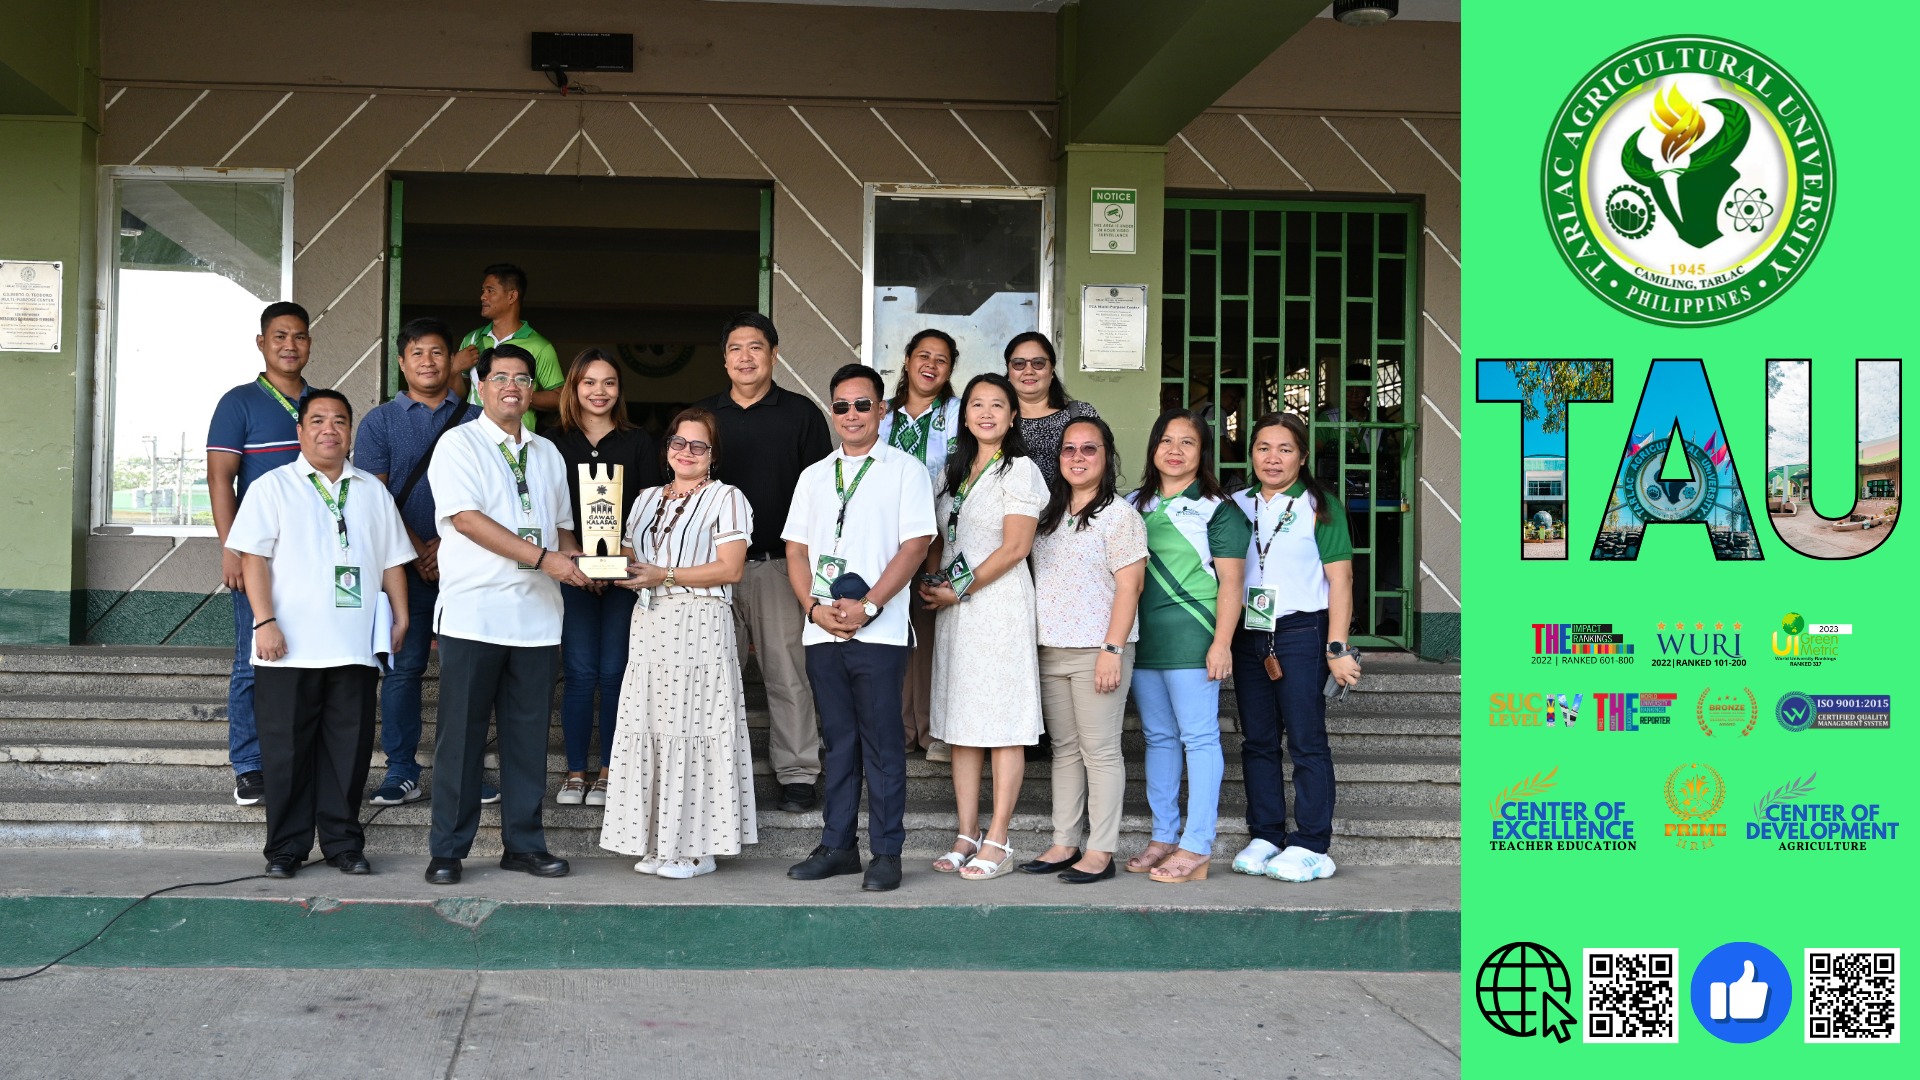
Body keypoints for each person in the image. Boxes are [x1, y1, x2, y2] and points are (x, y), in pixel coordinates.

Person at [225, 390, 412, 877]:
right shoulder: (273, 486)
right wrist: (264, 622)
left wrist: (401, 615)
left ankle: (343, 844)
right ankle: (285, 850)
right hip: (287, 646)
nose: (329, 429)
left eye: (340, 421)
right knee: (285, 754)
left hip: (352, 646)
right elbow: (253, 559)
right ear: (301, 431)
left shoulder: (372, 490)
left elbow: (393, 558)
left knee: (347, 754)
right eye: (318, 420)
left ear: (351, 432)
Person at [423, 344, 589, 885]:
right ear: (480, 386)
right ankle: (448, 849)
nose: (512, 387)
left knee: (528, 740)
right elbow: (467, 520)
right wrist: (547, 559)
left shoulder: (547, 453)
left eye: (521, 378)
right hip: (475, 614)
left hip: (539, 618)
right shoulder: (458, 444)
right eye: (500, 378)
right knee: (461, 738)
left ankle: (523, 844)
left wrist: (581, 559)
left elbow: (562, 526)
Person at [781, 363, 935, 892]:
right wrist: (811, 607)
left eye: (862, 405)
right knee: (837, 743)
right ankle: (838, 845)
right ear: (832, 412)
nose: (852, 414)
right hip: (822, 629)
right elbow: (796, 549)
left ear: (881, 411)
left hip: (879, 631)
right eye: (842, 406)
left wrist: (869, 606)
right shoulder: (814, 474)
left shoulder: (903, 470)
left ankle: (887, 852)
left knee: (883, 744)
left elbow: (916, 544)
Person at [599, 408, 756, 879]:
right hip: (649, 622)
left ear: (713, 454)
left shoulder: (727, 498)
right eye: (677, 442)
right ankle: (658, 841)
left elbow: (731, 568)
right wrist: (601, 560)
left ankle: (694, 848)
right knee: (651, 722)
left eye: (698, 445)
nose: (685, 452)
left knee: (694, 724)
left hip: (700, 622)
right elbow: (628, 556)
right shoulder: (645, 498)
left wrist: (663, 574)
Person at [696, 312, 833, 813]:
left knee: (787, 673)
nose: (746, 357)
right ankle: (712, 773)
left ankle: (798, 774)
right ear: (724, 357)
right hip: (710, 569)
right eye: (735, 348)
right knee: (712, 674)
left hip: (778, 565)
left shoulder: (801, 415)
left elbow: (821, 496)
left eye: (756, 347)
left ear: (774, 354)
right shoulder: (704, 418)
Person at [918, 373, 1046, 881]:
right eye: (977, 404)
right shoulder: (953, 471)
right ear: (964, 414)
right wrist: (933, 583)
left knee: (1004, 724)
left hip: (997, 608)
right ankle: (965, 833)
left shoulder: (1020, 470)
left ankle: (998, 838)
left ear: (1013, 416)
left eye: (998, 405)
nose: (987, 413)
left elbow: (1016, 547)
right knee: (963, 725)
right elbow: (939, 538)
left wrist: (959, 588)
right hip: (955, 610)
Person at [352, 316, 483, 807]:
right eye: (417, 353)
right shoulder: (379, 421)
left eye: (436, 352)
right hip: (400, 571)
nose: (428, 361)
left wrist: (445, 548)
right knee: (403, 670)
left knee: (464, 671)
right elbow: (374, 495)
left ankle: (463, 769)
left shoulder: (476, 419)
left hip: (467, 566)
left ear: (452, 361)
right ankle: (401, 770)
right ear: (402, 362)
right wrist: (418, 549)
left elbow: (485, 498)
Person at [1229, 413, 1361, 883]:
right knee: (1258, 740)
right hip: (1249, 634)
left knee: (1306, 741)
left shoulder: (1319, 504)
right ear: (1251, 454)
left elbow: (1340, 579)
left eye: (1285, 449)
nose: (1273, 458)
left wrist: (1337, 645)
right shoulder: (1234, 503)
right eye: (1263, 447)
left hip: (1302, 632)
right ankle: (1266, 833)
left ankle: (1312, 842)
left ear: (1302, 457)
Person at [1124, 410, 1250, 884]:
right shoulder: (1132, 503)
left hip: (1194, 637)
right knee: (1157, 737)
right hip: (1143, 639)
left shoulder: (1219, 508)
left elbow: (1232, 585)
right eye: (1166, 441)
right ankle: (1163, 834)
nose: (1174, 450)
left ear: (1203, 453)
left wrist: (1222, 643)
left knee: (1199, 738)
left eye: (1188, 443)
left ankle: (1196, 846)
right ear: (1153, 447)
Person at [1025, 417, 1146, 884]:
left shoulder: (1120, 515)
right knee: (1065, 751)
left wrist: (1112, 649)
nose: (1078, 457)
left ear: (1106, 457)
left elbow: (1129, 587)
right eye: (1069, 449)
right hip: (1050, 648)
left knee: (1100, 751)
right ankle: (1064, 841)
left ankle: (1100, 850)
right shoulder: (1048, 515)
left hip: (1099, 650)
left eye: (1089, 449)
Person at [207, 301, 313, 807]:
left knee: (309, 656)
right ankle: (249, 765)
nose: (289, 345)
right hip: (257, 557)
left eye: (298, 336)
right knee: (252, 661)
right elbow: (220, 478)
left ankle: (296, 756)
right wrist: (232, 547)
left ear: (309, 343)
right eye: (279, 337)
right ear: (261, 343)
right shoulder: (239, 402)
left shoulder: (321, 402)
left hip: (313, 557)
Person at [549, 349, 661, 807]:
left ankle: (609, 772)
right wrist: (576, 558)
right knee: (578, 674)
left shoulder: (638, 442)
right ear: (573, 388)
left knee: (615, 673)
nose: (599, 391)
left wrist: (619, 558)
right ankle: (575, 773)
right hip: (571, 572)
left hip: (623, 577)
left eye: (609, 382)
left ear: (620, 389)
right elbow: (551, 510)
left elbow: (649, 506)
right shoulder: (553, 443)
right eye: (589, 382)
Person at [874, 330, 962, 762]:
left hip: (937, 541)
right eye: (923, 355)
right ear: (906, 360)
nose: (931, 365)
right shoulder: (880, 415)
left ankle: (928, 730)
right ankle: (895, 728)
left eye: (941, 359)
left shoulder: (960, 414)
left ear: (950, 370)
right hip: (882, 544)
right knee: (888, 633)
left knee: (927, 635)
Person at [451, 263, 563, 430]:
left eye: (490, 290)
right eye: (483, 291)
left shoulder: (539, 346)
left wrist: (518, 394)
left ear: (512, 296)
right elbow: (460, 395)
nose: (483, 297)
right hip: (474, 436)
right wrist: (454, 369)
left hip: (517, 441)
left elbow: (560, 398)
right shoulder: (472, 339)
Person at [1005, 331, 1097, 486]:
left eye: (1038, 363)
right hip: (1012, 510)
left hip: (1072, 509)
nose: (1029, 371)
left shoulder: (1080, 414)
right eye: (1019, 363)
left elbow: (1103, 470)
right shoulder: (995, 418)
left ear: (1052, 369)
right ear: (1009, 370)